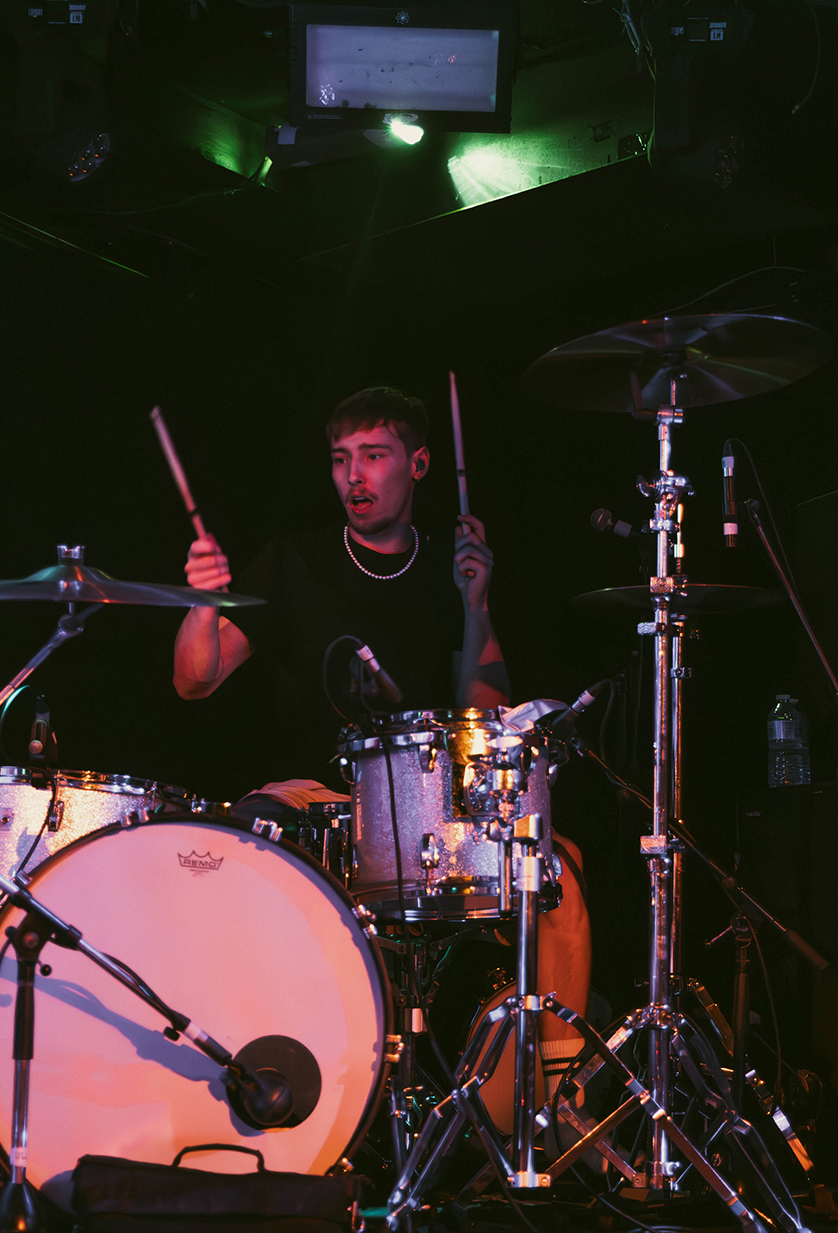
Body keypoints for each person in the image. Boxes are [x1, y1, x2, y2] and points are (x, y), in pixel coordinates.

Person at [172, 386, 590, 1131]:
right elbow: (194, 680)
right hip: (316, 799)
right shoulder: (293, 560)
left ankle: (551, 1108)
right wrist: (202, 600)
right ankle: (258, 1094)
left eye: (373, 456)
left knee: (556, 870)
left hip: (428, 818)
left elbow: (488, 711)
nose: (354, 476)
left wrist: (475, 605)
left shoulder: (448, 570)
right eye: (341, 460)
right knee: (240, 841)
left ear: (418, 464)